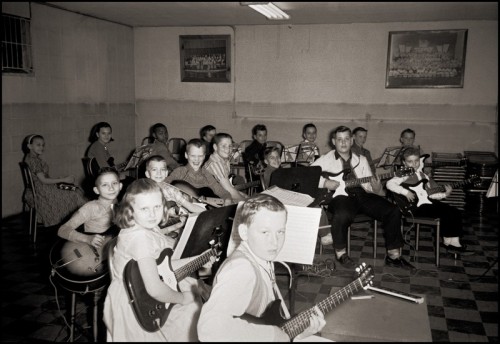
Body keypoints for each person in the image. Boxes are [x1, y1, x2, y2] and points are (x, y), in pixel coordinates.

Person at [197, 194, 326, 342]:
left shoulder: (261, 256)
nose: (274, 242)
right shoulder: (241, 269)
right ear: (244, 232)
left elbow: (263, 321)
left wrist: (298, 334)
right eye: (265, 232)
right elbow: (210, 329)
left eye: (280, 232)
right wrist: (273, 335)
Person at [103, 178, 211, 342]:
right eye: (144, 208)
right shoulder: (140, 239)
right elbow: (154, 289)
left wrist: (200, 258)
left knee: (194, 295)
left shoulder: (146, 226)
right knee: (192, 309)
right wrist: (183, 298)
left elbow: (163, 266)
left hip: (146, 287)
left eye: (157, 207)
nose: (152, 214)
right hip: (136, 302)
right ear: (130, 211)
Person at [311, 126, 413, 270]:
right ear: (334, 141)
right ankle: (341, 254)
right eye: (339, 139)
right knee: (342, 213)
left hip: (361, 194)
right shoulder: (325, 159)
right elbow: (308, 176)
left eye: (347, 139)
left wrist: (376, 187)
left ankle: (394, 255)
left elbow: (370, 187)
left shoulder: (362, 159)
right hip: (339, 197)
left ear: (352, 140)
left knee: (393, 210)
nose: (343, 142)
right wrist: (325, 182)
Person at [386, 147, 474, 256]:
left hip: (425, 203)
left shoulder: (424, 176)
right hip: (414, 207)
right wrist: (405, 192)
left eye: (416, 161)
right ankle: (449, 242)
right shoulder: (405, 173)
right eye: (410, 161)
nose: (414, 164)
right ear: (404, 163)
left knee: (454, 211)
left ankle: (453, 243)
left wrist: (445, 194)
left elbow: (431, 194)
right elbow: (389, 184)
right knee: (446, 212)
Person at [23, 134, 87, 227]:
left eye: (43, 145)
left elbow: (41, 178)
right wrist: (63, 179)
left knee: (75, 189)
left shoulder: (30, 157)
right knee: (75, 193)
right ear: (29, 146)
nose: (42, 147)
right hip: (42, 190)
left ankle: (79, 219)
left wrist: (60, 179)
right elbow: (43, 180)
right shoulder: (34, 161)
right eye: (38, 145)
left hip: (41, 187)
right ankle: (79, 221)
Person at [57, 169, 122, 245]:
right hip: (92, 249)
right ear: (96, 190)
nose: (111, 188)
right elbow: (62, 230)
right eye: (105, 184)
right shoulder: (90, 207)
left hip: (112, 245)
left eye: (114, 183)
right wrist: (87, 238)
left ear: (120, 186)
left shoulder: (120, 203)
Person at [144, 155, 205, 235]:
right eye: (154, 170)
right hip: (150, 228)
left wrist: (207, 213)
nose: (159, 173)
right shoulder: (143, 192)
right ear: (147, 174)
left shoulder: (171, 190)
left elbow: (190, 206)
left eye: (162, 170)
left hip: (169, 226)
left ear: (166, 173)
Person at [165, 139, 233, 205]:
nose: (196, 159)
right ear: (186, 155)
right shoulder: (179, 172)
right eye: (193, 156)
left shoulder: (207, 174)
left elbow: (221, 191)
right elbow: (164, 185)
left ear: (204, 156)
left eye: (200, 156)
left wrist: (227, 199)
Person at [203, 133, 249, 203]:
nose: (228, 149)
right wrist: (247, 202)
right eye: (224, 146)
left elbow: (229, 186)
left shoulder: (224, 160)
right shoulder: (215, 163)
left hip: (220, 195)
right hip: (209, 199)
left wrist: (244, 196)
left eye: (230, 146)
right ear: (215, 147)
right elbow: (228, 190)